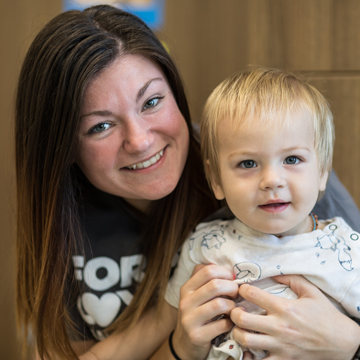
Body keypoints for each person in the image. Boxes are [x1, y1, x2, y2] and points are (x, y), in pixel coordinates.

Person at [14, 5, 360, 360]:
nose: (140, 141)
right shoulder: (70, 219)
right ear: (63, 147)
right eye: (100, 126)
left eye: (151, 101)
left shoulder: (287, 177)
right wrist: (179, 348)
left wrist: (349, 343)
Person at [164, 68, 360, 360]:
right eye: (247, 163)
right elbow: (171, 327)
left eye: (292, 159)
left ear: (322, 171)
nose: (272, 180)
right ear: (216, 179)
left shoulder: (348, 248)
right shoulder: (203, 245)